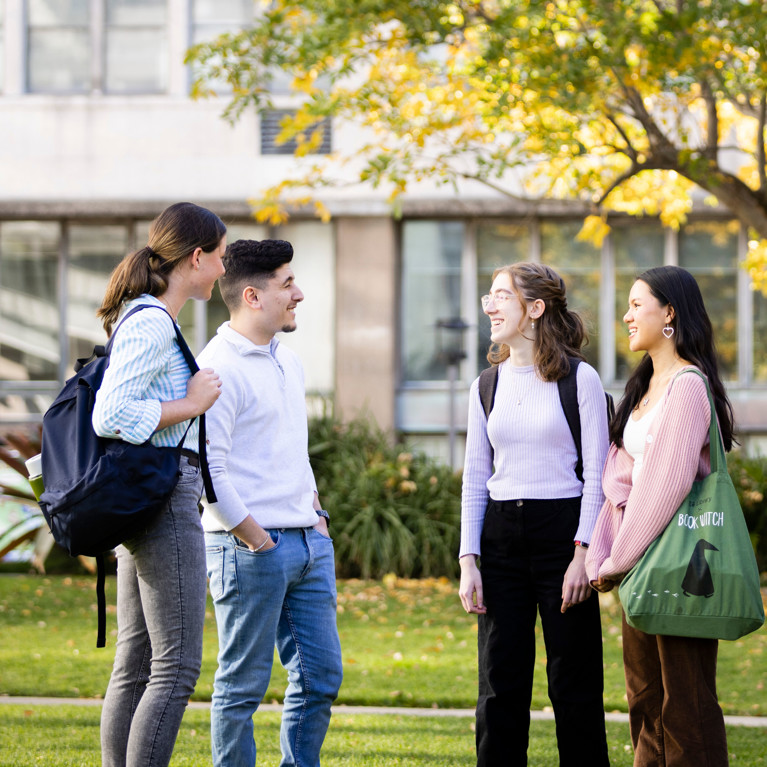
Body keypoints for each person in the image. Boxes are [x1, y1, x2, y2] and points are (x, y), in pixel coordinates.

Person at [459, 262, 611, 767]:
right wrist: (468, 559)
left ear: (535, 308)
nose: (489, 304)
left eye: (501, 295)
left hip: (563, 536)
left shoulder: (580, 379)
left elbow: (596, 474)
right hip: (501, 540)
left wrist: (582, 555)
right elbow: (475, 475)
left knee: (574, 684)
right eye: (489, 294)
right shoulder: (486, 384)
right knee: (500, 684)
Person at [198, 238, 342, 767]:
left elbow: (290, 453)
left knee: (321, 677)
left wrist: (317, 517)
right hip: (249, 549)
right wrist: (256, 538)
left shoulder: (288, 360)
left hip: (307, 542)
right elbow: (207, 473)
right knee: (241, 687)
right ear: (253, 296)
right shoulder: (215, 369)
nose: (299, 294)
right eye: (288, 284)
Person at [93, 202, 227, 767]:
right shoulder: (150, 321)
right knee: (176, 668)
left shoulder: (146, 317)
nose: (222, 271)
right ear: (195, 258)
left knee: (138, 661)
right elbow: (111, 414)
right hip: (163, 498)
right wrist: (191, 403)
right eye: (219, 259)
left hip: (149, 497)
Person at [586, 265, 734, 767]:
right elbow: (619, 486)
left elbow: (666, 486)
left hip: (682, 565)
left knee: (686, 707)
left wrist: (616, 559)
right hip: (643, 568)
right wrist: (604, 554)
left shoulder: (688, 386)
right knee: (645, 703)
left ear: (669, 312)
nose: (626, 315)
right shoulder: (646, 388)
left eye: (635, 304)